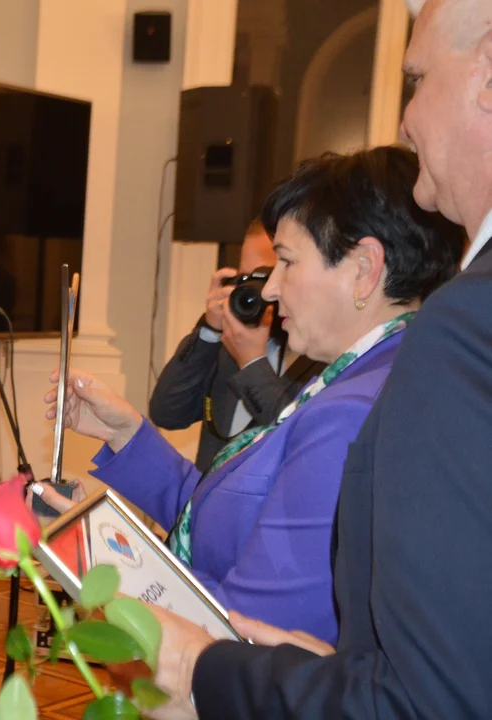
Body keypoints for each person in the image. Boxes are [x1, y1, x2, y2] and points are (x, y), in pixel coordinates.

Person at [125, 1, 492, 717]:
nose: (404, 119)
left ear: (362, 271)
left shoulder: (433, 348)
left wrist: (191, 658)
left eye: (414, 80)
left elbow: (430, 695)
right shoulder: (347, 374)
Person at [40, 147, 464, 645]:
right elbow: (226, 516)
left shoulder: (349, 415)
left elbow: (251, 632)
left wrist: (90, 551)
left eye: (285, 262)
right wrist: (127, 431)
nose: (267, 291)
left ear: (365, 269)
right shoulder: (363, 373)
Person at [149, 221, 324, 472]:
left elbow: (298, 445)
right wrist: (209, 331)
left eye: (267, 275)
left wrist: (252, 364)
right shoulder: (232, 342)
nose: (264, 292)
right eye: (247, 278)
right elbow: (167, 413)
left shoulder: (326, 355)